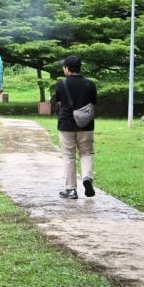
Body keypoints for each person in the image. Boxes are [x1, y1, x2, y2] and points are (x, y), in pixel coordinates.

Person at [51, 55, 98, 199]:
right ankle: (87, 178)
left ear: (67, 69)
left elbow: (56, 101)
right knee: (87, 153)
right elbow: (93, 103)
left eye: (63, 67)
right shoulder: (90, 84)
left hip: (66, 124)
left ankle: (71, 189)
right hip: (86, 125)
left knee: (69, 155)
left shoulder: (62, 84)